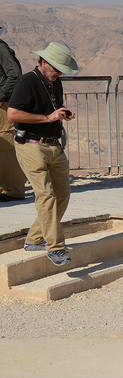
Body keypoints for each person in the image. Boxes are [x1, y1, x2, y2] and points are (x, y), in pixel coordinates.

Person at [6, 42, 79, 265]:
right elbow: (13, 114)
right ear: (44, 62)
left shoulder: (55, 83)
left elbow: (49, 110)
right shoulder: (27, 81)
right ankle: (55, 248)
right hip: (31, 144)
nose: (59, 73)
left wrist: (60, 114)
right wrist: (47, 118)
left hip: (54, 145)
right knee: (46, 195)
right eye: (57, 68)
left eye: (62, 70)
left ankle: (35, 238)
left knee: (62, 195)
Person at [0, 27, 27, 202]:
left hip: (3, 105)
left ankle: (13, 191)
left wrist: (1, 95)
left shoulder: (0, 48)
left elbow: (15, 74)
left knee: (7, 146)